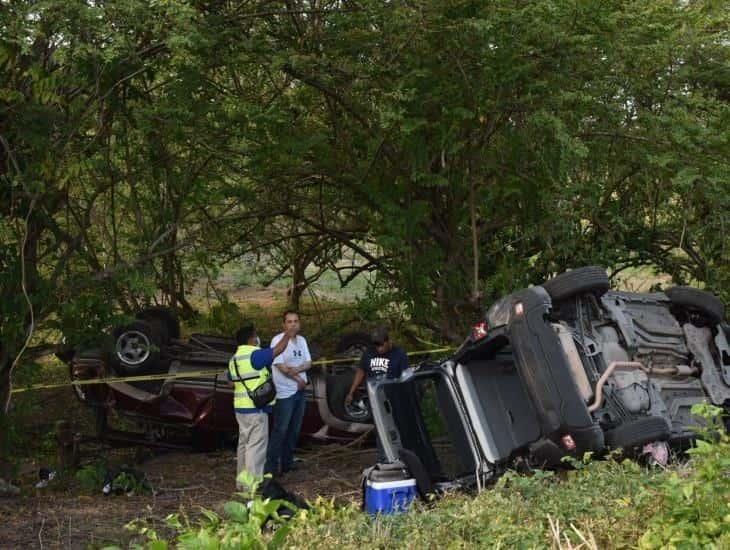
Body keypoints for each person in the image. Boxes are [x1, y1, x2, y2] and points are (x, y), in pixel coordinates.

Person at [229, 324, 292, 491]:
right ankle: (253, 487)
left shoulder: (234, 359)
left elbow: (230, 381)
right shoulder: (254, 355)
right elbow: (277, 350)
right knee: (255, 448)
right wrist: (288, 334)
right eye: (256, 335)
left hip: (240, 410)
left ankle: (241, 484)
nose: (257, 338)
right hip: (256, 410)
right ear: (251, 339)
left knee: (243, 446)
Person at [345, 326, 408, 461]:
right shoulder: (369, 353)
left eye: (381, 344)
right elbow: (361, 370)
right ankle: (383, 458)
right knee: (380, 428)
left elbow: (405, 376)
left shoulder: (399, 354)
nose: (378, 348)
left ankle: (400, 456)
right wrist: (352, 391)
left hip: (392, 397)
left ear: (388, 341)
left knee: (396, 426)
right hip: (375, 398)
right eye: (376, 345)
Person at [265, 310, 312, 475]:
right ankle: (270, 468)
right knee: (280, 430)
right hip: (285, 393)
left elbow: (308, 363)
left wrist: (297, 370)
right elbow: (281, 367)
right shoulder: (277, 341)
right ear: (283, 324)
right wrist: (300, 380)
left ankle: (287, 463)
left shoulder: (302, 341)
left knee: (294, 429)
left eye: (296, 321)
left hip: (300, 393)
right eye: (289, 321)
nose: (293, 324)